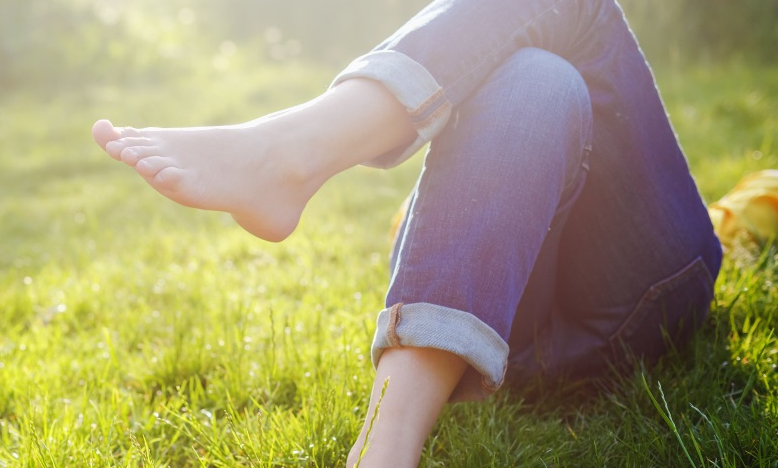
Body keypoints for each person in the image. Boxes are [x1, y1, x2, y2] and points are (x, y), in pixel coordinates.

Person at [90, 0, 722, 466]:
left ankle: (292, 151)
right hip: (498, 321)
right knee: (538, 79)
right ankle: (385, 446)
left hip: (631, 298)